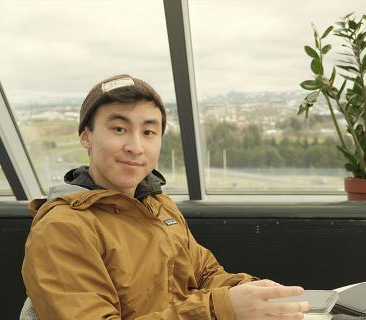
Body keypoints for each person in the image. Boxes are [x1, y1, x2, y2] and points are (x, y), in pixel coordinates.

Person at [22, 74, 309, 320]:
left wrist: (257, 293)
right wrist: (221, 308)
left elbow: (205, 274)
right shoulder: (62, 229)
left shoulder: (157, 205)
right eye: (119, 129)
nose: (136, 147)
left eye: (149, 131)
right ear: (86, 136)